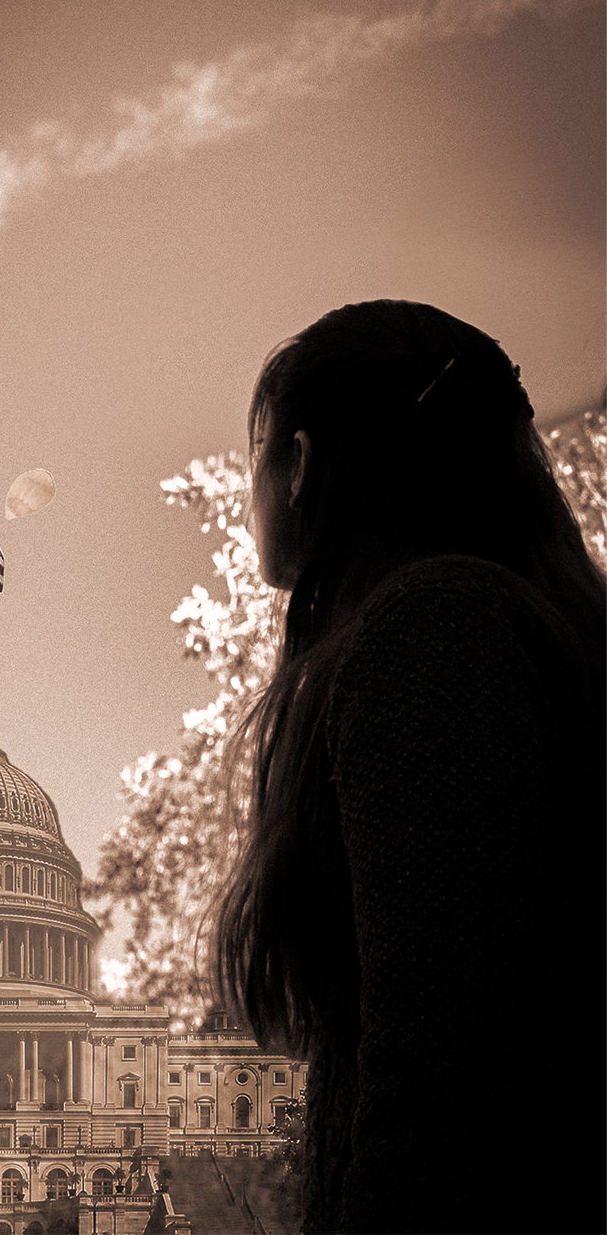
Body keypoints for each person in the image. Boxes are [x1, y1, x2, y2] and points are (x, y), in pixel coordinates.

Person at [213, 300, 605, 1233]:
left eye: (256, 455)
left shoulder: (433, 635)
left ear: (301, 466)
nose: (250, 492)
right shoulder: (492, 622)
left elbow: (442, 1074)